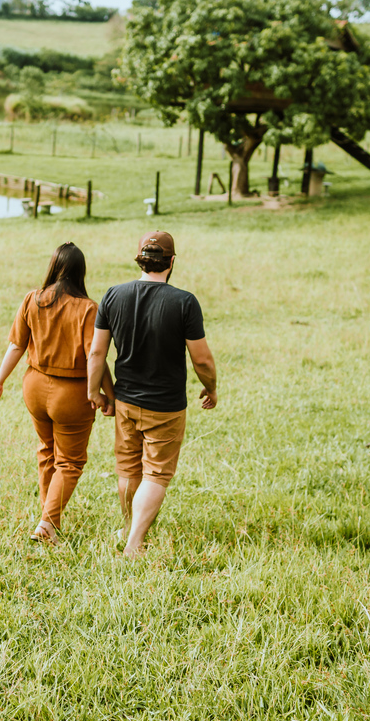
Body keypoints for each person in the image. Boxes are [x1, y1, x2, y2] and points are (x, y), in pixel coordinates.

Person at [87, 231, 217, 558]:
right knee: (156, 473)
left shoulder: (113, 295)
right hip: (166, 406)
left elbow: (96, 353)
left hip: (126, 401)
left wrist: (96, 393)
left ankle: (129, 526)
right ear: (171, 261)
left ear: (139, 259)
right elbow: (201, 358)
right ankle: (134, 543)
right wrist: (211, 387)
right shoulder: (184, 302)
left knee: (129, 470)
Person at [0, 242, 114, 544]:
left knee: (47, 451)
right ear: (81, 272)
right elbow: (95, 355)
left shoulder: (33, 299)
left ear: (53, 267)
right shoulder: (88, 308)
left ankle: (49, 520)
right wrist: (107, 393)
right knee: (69, 462)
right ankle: (47, 523)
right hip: (71, 393)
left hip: (34, 387)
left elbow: (16, 345)